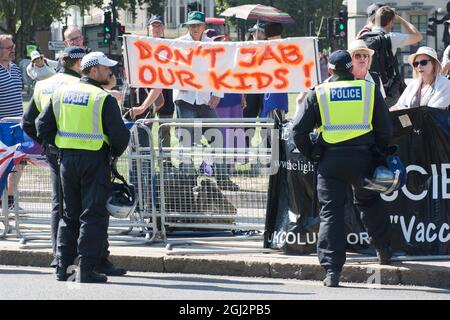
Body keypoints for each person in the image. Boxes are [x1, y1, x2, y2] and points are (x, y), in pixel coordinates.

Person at [291, 50, 393, 287]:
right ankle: (384, 251)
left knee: (331, 213)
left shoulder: (320, 92)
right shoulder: (368, 90)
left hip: (331, 162)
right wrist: (378, 154)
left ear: (330, 70)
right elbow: (385, 129)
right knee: (370, 202)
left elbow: (298, 132)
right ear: (351, 69)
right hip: (364, 159)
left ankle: (332, 272)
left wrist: (314, 153)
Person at [36, 52, 130, 283]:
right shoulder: (102, 97)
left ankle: (63, 268)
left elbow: (41, 126)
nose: (111, 72)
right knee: (93, 214)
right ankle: (86, 269)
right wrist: (113, 154)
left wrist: (57, 148)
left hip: (67, 161)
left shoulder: (61, 94)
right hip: (95, 160)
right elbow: (119, 136)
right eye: (106, 68)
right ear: (94, 70)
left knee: (69, 214)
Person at [22, 46, 86, 268]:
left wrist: (46, 144)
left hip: (54, 151)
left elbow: (28, 123)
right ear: (78, 63)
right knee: (82, 202)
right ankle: (79, 254)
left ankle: (58, 255)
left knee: (58, 202)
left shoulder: (43, 85)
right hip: (81, 150)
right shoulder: (81, 85)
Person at [173, 12, 224, 177]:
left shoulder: (212, 46)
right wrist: (178, 82)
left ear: (204, 26)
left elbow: (219, 70)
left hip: (204, 99)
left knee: (217, 137)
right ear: (188, 26)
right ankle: (186, 176)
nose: (195, 28)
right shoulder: (177, 44)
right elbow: (169, 69)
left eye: (198, 25)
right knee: (185, 139)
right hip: (184, 99)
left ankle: (214, 172)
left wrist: (217, 93)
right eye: (192, 25)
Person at [358, 6, 422, 106]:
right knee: (394, 119)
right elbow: (417, 36)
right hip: (388, 91)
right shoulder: (391, 38)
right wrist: (400, 19)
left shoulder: (361, 37)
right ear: (391, 22)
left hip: (366, 89)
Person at [0, 34, 25, 208]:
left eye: (13, 47)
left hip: (17, 126)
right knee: (3, 166)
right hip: (1, 128)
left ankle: (9, 201)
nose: (12, 50)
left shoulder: (15, 69)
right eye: (9, 48)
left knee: (19, 163)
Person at [390, 47, 450, 111]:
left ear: (434, 64)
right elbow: (399, 105)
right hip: (411, 120)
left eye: (423, 62)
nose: (419, 66)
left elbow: (434, 111)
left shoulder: (445, 84)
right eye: (416, 64)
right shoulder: (413, 84)